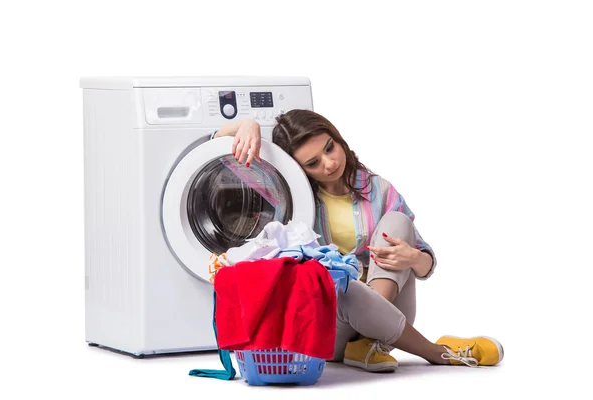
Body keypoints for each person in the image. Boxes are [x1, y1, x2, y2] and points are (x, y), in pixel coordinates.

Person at [211, 110, 503, 372]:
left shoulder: (377, 189)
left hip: (389, 307)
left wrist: (413, 258)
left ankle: (369, 344)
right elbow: (216, 151)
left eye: (330, 148)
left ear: (337, 138)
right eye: (313, 163)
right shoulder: (291, 196)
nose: (329, 163)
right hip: (333, 326)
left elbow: (426, 265)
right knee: (345, 286)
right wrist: (246, 125)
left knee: (398, 223)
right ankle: (438, 352)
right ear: (299, 170)